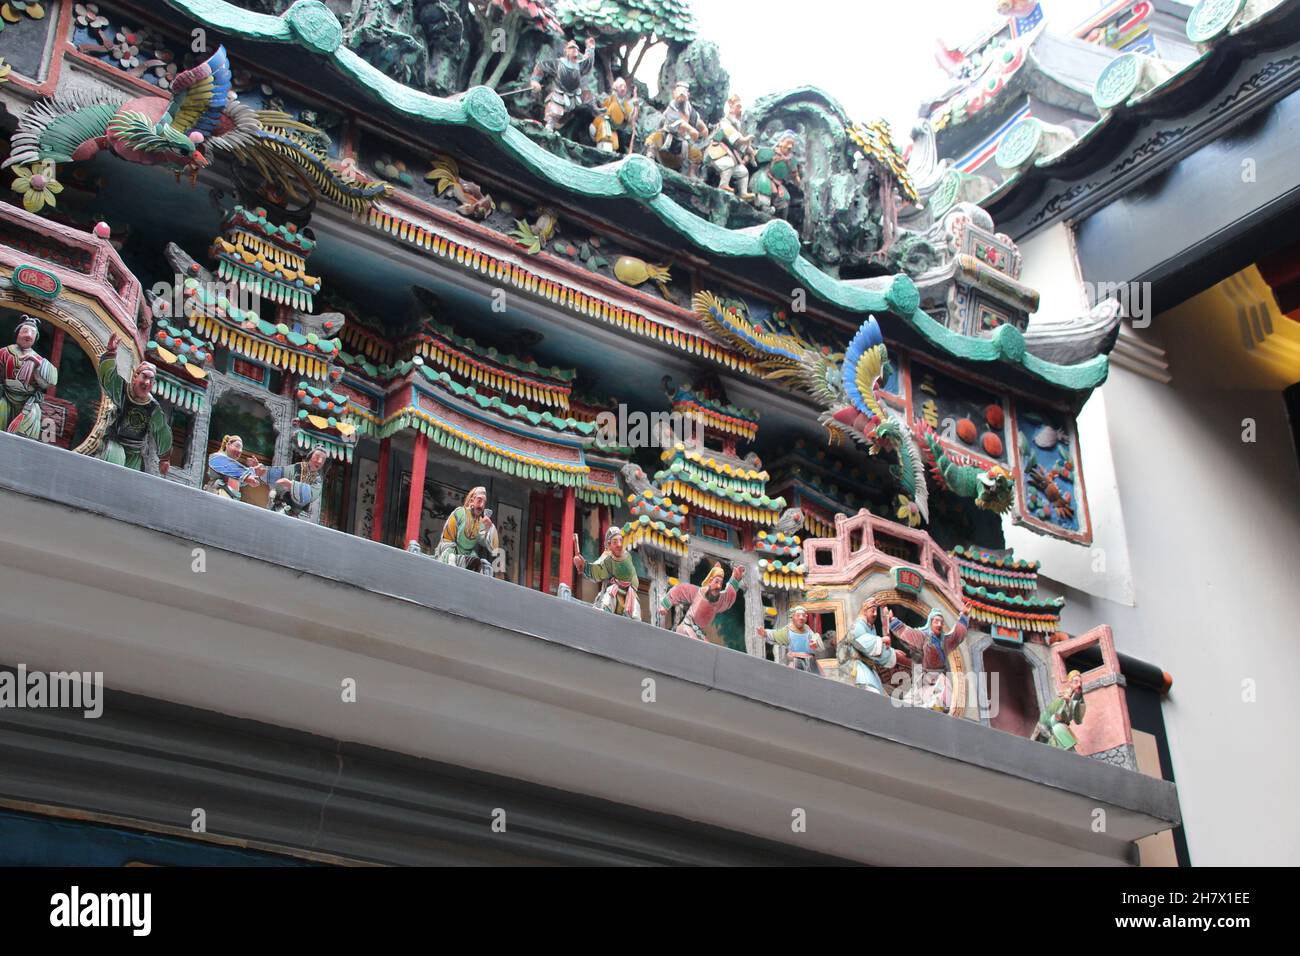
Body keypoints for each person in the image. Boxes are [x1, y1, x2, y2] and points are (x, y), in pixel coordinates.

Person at [95, 334, 171, 473]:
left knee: (128, 479)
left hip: (135, 452)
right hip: (115, 443)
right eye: (144, 377)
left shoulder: (153, 408)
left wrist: (164, 458)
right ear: (135, 376)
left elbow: (161, 430)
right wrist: (111, 353)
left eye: (151, 380)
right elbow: (108, 379)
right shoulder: (122, 391)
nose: (147, 382)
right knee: (111, 468)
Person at [884, 601, 971, 710]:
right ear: (930, 623)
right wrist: (893, 621)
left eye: (941, 622)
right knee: (914, 697)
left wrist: (964, 616)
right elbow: (908, 633)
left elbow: (957, 635)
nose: (939, 625)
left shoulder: (946, 640)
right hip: (924, 675)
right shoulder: (924, 637)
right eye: (936, 621)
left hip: (938, 675)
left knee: (942, 694)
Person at [0, 314, 58, 439]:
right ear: (17, 334)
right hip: (6, 395)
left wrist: (37, 363)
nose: (28, 335)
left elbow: (50, 382)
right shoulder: (5, 352)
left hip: (27, 401)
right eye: (25, 331)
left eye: (32, 332)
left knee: (27, 427)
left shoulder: (38, 359)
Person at [660, 562, 745, 641]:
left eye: (721, 583)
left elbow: (728, 598)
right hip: (686, 627)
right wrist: (664, 606)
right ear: (710, 581)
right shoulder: (698, 593)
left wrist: (735, 579)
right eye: (716, 582)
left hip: (698, 632)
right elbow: (679, 590)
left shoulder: (719, 600)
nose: (719, 586)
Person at [531, 37, 597, 133]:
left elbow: (588, 62)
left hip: (574, 96)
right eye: (572, 48)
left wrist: (590, 48)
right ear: (566, 51)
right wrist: (534, 80)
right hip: (558, 93)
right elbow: (541, 66)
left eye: (576, 49)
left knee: (588, 97)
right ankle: (548, 128)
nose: (575, 50)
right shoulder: (559, 63)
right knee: (554, 111)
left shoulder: (579, 65)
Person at [574, 526, 640, 618]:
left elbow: (632, 577)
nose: (619, 544)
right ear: (609, 544)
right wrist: (584, 566)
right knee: (608, 596)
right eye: (615, 542)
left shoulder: (626, 556)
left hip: (628, 593)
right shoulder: (607, 556)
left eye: (621, 541)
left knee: (635, 611)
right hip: (612, 591)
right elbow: (598, 569)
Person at [434, 486, 501, 575]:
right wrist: (451, 556)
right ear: (471, 501)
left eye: (484, 503)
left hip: (468, 555)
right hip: (449, 551)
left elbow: (494, 548)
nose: (481, 506)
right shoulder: (459, 513)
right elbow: (447, 539)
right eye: (479, 500)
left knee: (483, 567)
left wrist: (490, 527)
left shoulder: (480, 522)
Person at [646, 82, 708, 178]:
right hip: (667, 140)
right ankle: (650, 158)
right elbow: (677, 123)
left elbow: (700, 125)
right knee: (655, 137)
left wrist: (703, 134)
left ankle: (692, 173)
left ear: (688, 95)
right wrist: (691, 129)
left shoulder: (691, 111)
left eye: (684, 91)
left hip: (682, 144)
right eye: (679, 91)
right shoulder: (671, 108)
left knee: (696, 153)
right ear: (674, 93)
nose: (681, 94)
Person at [704, 94, 755, 198]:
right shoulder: (725, 124)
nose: (739, 110)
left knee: (743, 171)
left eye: (740, 108)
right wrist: (747, 139)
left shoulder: (736, 127)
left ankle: (743, 193)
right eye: (738, 107)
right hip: (715, 153)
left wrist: (750, 152)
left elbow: (740, 145)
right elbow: (739, 140)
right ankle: (723, 185)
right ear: (731, 108)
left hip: (729, 154)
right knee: (728, 163)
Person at [845, 601, 898, 693]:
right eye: (872, 611)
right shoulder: (858, 625)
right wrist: (881, 640)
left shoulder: (871, 627)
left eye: (876, 611)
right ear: (865, 611)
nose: (875, 614)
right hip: (860, 667)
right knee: (871, 690)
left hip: (869, 667)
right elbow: (862, 642)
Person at [751, 131, 802, 217]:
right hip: (766, 177)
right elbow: (757, 155)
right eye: (788, 143)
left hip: (778, 183)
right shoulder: (773, 153)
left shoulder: (791, 160)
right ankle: (764, 213)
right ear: (781, 143)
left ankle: (781, 219)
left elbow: (795, 174)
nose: (790, 146)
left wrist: (797, 179)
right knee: (764, 189)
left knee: (785, 198)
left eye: (792, 144)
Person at [758, 605, 823, 673]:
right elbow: (777, 635)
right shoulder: (788, 630)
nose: (801, 618)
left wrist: (815, 643)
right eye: (798, 615)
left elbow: (815, 639)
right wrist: (765, 633)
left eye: (803, 616)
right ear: (793, 617)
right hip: (795, 660)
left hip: (810, 661)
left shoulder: (808, 630)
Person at [266, 445, 328, 516]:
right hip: (280, 507)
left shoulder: (317, 480)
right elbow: (280, 477)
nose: (319, 461)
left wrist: (291, 485)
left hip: (298, 514)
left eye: (323, 459)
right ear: (310, 456)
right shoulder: (296, 467)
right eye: (317, 457)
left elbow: (312, 493)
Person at [1035, 669, 1086, 750]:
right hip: (1047, 725)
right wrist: (1067, 702)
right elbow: (1056, 718)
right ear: (1070, 683)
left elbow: (1078, 717)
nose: (1079, 685)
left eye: (1081, 682)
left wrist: (1074, 700)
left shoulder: (1077, 697)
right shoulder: (1063, 697)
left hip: (1058, 726)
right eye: (1076, 682)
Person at [205, 434, 264, 500]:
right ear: (228, 444)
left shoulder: (234, 469)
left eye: (241, 449)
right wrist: (248, 476)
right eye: (237, 446)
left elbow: (239, 479)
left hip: (231, 497)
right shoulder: (216, 457)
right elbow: (230, 468)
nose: (240, 451)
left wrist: (254, 470)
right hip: (216, 494)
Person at [590, 77, 637, 153]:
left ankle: (610, 153)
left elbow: (630, 117)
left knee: (613, 141)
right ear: (616, 88)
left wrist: (635, 107)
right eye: (621, 86)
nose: (623, 88)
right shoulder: (611, 98)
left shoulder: (625, 104)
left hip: (615, 126)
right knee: (604, 134)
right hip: (606, 123)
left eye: (624, 86)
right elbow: (603, 108)